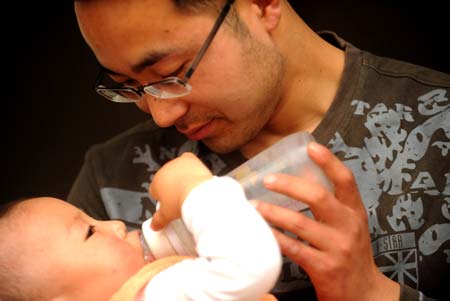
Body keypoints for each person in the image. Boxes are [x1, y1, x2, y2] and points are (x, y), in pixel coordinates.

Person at [68, 0, 450, 300]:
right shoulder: (109, 185)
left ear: (264, 4)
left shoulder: (440, 128)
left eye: (173, 73)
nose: (162, 115)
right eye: (128, 86)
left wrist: (373, 295)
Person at [0, 152, 281, 301]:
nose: (117, 225)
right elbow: (247, 266)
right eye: (90, 232)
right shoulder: (157, 294)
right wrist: (193, 188)